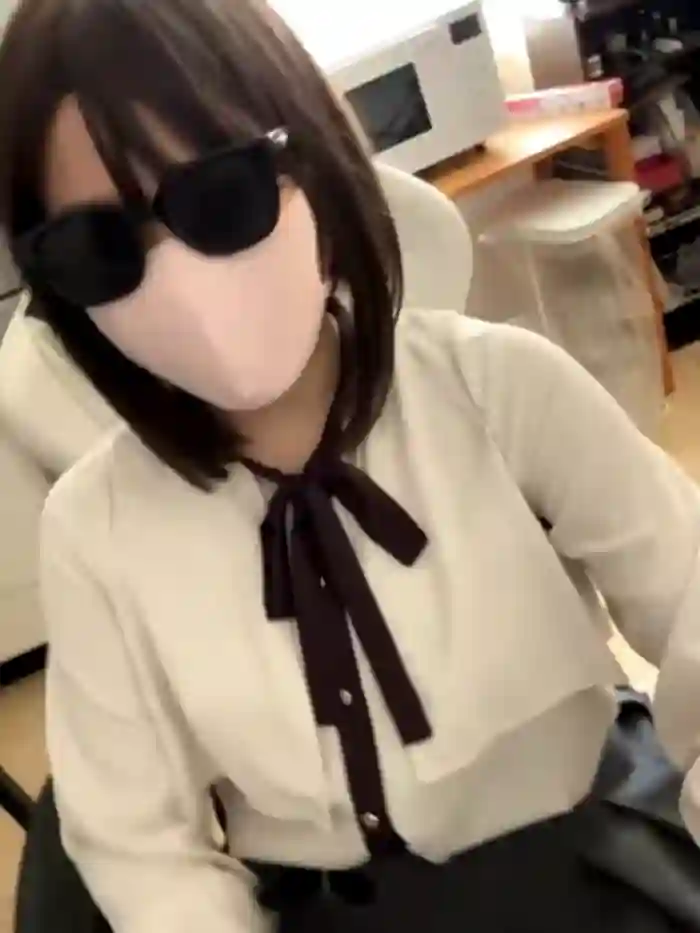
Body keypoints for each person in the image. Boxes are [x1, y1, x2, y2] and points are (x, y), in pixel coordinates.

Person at [1, 1, 699, 931]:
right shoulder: (96, 531)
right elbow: (141, 848)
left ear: (313, 162)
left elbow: (691, 598)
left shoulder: (502, 388)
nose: (176, 278)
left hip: (592, 871)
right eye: (99, 248)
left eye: (220, 198)